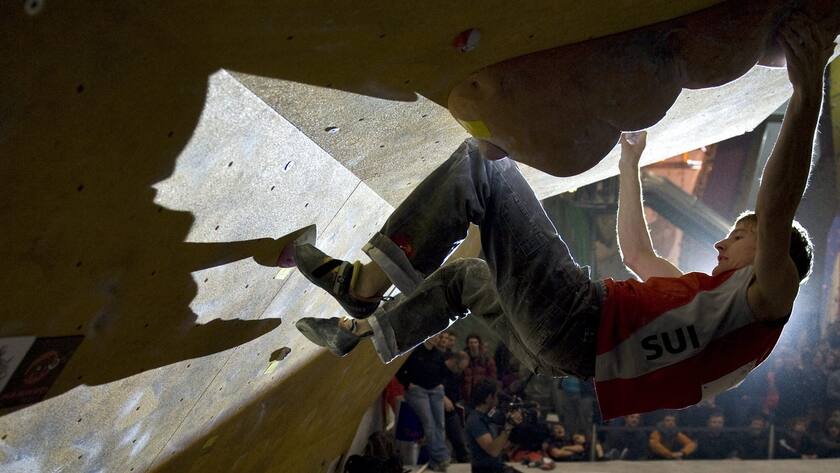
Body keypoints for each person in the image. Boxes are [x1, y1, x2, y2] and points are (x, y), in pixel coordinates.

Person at [294, 15, 833, 419]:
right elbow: (637, 254)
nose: (721, 245)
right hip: (562, 353)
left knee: (484, 169)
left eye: (740, 236)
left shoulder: (768, 298)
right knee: (466, 280)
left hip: (578, 320)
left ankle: (360, 287)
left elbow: (778, 201)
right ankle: (361, 331)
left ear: (774, 253)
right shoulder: (711, 307)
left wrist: (809, 90)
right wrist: (629, 165)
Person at [395, 339, 451, 471]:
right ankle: (441, 457)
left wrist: (441, 384)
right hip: (418, 390)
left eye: (438, 336)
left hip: (435, 390)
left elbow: (444, 372)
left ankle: (436, 460)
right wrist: (408, 384)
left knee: (440, 424)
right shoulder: (415, 351)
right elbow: (399, 370)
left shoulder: (438, 354)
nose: (436, 339)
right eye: (435, 336)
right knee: (429, 423)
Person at [464, 379, 523, 473]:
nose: (497, 399)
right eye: (495, 395)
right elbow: (493, 451)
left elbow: (500, 446)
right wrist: (508, 426)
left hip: (496, 466)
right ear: (488, 398)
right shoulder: (475, 420)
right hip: (484, 470)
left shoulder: (488, 415)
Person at [443, 350, 472, 463]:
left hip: (451, 408)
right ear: (454, 361)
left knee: (458, 434)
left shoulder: (455, 374)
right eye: (460, 368)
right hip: (437, 404)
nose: (460, 371)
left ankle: (463, 456)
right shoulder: (440, 369)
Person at [463, 335, 497, 405]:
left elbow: (492, 378)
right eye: (471, 343)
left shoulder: (487, 360)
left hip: (479, 395)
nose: (473, 345)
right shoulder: (464, 358)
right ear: (468, 344)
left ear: (479, 344)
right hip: (464, 394)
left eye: (475, 342)